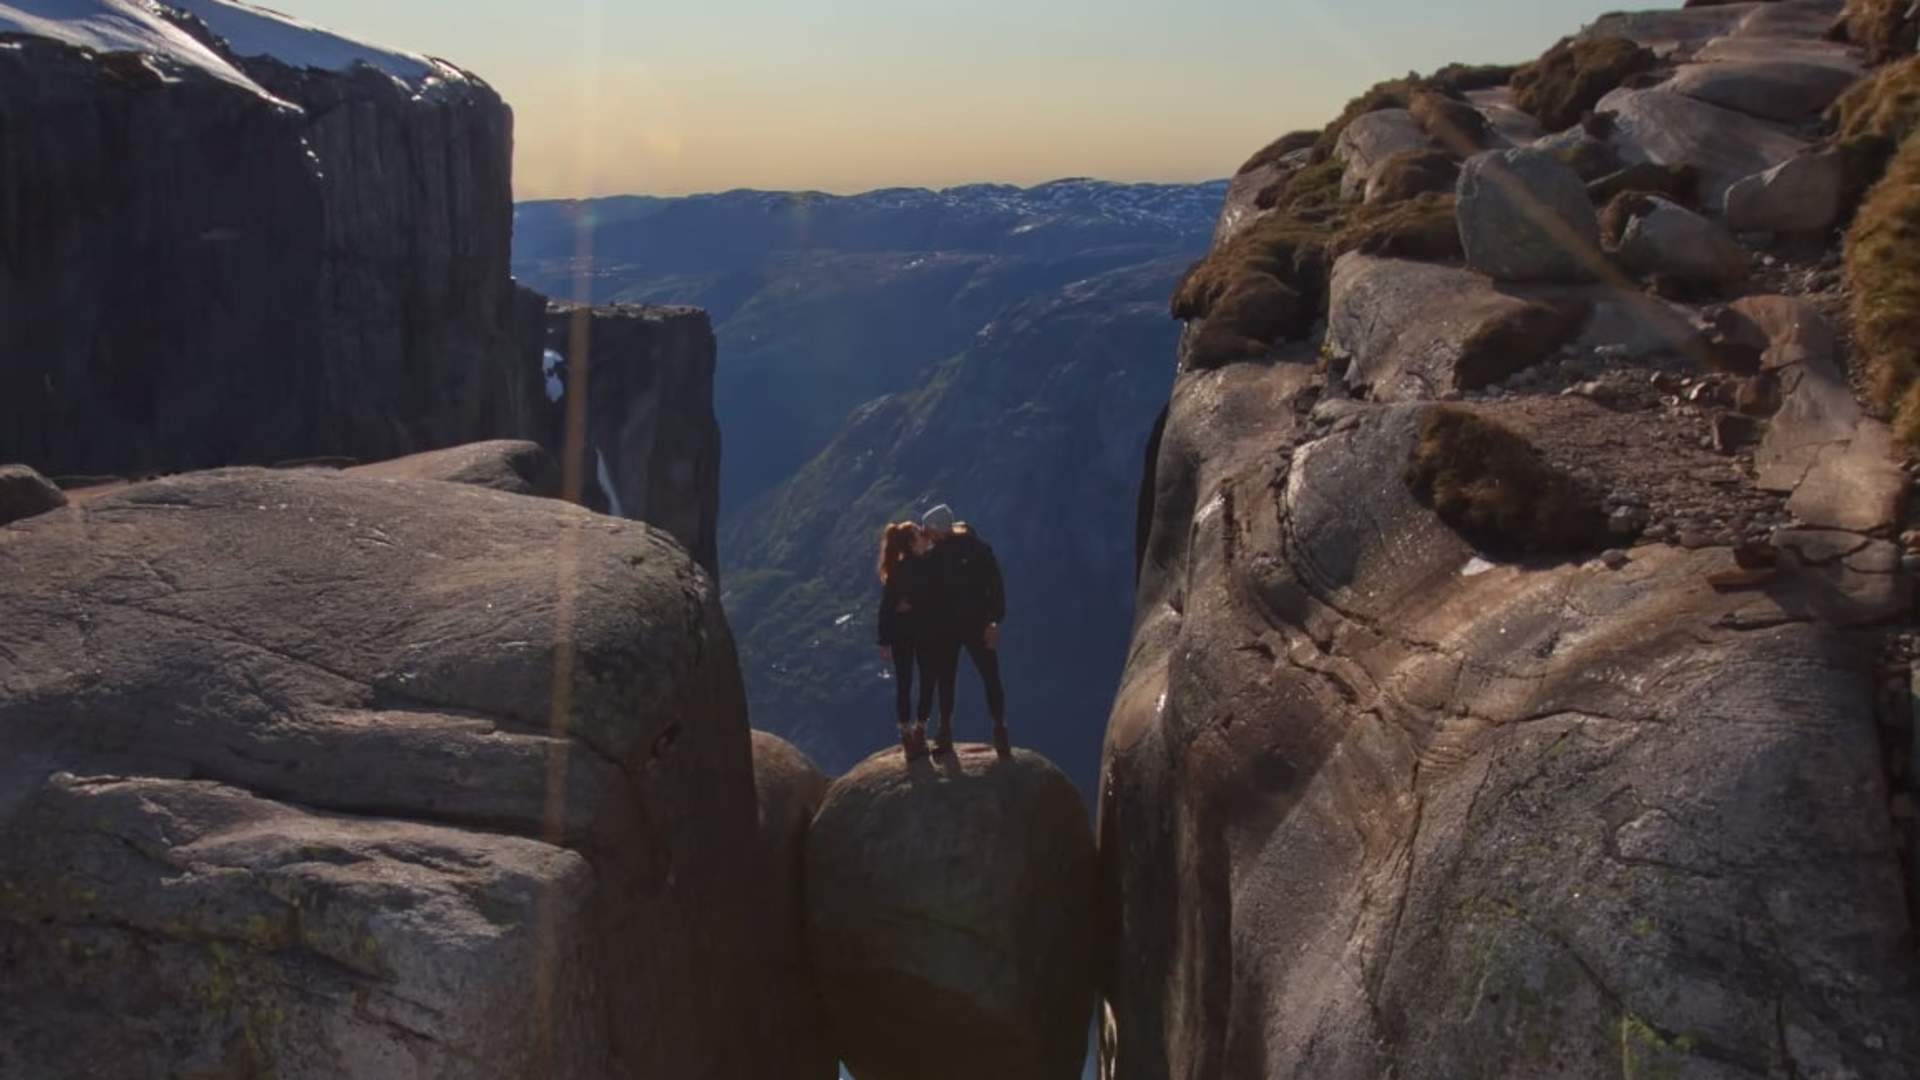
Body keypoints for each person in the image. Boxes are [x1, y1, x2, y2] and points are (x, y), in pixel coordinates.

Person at [919, 503, 1011, 758]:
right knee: (986, 676)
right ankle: (997, 730)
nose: (927, 534)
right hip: (967, 623)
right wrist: (994, 620)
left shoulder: (961, 551)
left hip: (961, 625)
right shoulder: (973, 548)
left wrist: (993, 621)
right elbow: (996, 586)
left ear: (937, 529)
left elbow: (994, 584)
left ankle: (947, 732)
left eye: (929, 530)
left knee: (950, 679)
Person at [876, 521, 939, 759]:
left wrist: (884, 640)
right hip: (925, 632)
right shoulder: (926, 564)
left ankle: (906, 733)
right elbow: (930, 596)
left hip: (903, 634)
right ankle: (920, 730)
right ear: (912, 542)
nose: (923, 535)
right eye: (918, 533)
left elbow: (887, 607)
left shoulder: (897, 570)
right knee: (926, 680)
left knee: (905, 683)